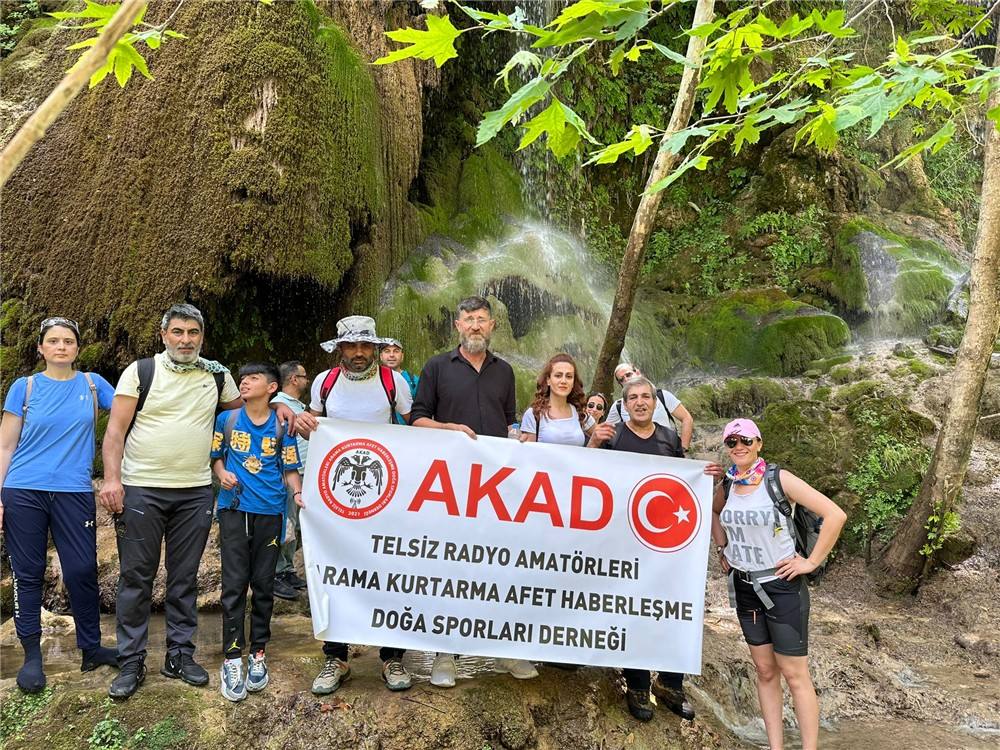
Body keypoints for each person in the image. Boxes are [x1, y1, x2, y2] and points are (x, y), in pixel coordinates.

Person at [99, 303, 298, 700]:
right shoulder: (141, 372)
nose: (185, 340)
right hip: (143, 487)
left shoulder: (217, 375)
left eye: (193, 333)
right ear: (164, 335)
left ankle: (179, 654)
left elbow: (245, 410)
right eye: (177, 332)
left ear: (202, 337)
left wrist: (278, 405)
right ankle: (132, 660)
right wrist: (112, 479)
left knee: (184, 576)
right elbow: (115, 431)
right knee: (137, 577)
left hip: (194, 490)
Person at [409, 295, 536, 686]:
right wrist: (449, 429)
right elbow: (416, 420)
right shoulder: (436, 367)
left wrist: (520, 438)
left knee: (500, 564)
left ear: (492, 325)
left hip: (497, 488)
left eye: (482, 319)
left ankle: (503, 650)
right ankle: (445, 655)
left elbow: (510, 421)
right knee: (452, 567)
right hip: (449, 485)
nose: (476, 325)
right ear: (458, 326)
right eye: (469, 320)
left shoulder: (506, 371)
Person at [710, 418, 846, 750]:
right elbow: (713, 513)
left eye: (746, 440)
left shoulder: (778, 479)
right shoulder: (728, 485)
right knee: (765, 671)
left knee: (794, 673)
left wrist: (810, 561)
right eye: (732, 442)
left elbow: (835, 514)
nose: (738, 446)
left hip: (782, 586)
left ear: (759, 443)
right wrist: (721, 547)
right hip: (744, 587)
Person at [0, 317, 119, 693]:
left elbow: (133, 414)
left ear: (78, 348)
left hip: (74, 490)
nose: (61, 347)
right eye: (53, 341)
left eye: (68, 341)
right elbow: (5, 446)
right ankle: (32, 656)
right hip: (24, 489)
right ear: (41, 348)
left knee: (82, 568)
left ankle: (91, 647)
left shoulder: (93, 384)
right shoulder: (25, 387)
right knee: (28, 571)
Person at [305, 315, 415, 694]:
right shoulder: (324, 382)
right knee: (333, 570)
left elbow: (413, 424)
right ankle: (335, 657)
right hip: (337, 496)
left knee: (390, 567)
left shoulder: (392, 381)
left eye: (364, 346)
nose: (357, 353)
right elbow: (313, 426)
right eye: (350, 346)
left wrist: (452, 438)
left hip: (384, 489)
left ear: (375, 348)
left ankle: (392, 658)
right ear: (339, 349)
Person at [587, 376, 700, 723]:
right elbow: (583, 474)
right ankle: (637, 685)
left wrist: (703, 475)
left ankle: (670, 684)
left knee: (670, 609)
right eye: (633, 397)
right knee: (631, 611)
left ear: (655, 401)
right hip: (623, 541)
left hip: (664, 545)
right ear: (624, 404)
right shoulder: (614, 435)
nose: (640, 401)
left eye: (646, 396)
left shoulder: (669, 438)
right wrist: (593, 441)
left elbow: (684, 482)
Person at [212, 363, 303, 702]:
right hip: (234, 509)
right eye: (242, 379)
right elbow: (216, 457)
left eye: (252, 378)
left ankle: (258, 653)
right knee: (234, 585)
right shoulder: (228, 420)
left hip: (271, 511)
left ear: (272, 387)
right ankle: (232, 657)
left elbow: (290, 468)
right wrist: (222, 473)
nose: (244, 383)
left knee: (264, 585)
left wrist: (297, 494)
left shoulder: (282, 425)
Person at [270, 361, 310, 601]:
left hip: (303, 470)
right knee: (284, 523)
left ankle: (287, 569)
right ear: (294, 379)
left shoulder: (297, 406)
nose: (307, 381)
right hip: (287, 471)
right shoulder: (278, 404)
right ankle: (275, 573)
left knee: (293, 525)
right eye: (304, 376)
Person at [605, 363, 693, 453]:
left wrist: (683, 449)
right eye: (622, 379)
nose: (626, 379)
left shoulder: (662, 396)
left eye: (628, 374)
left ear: (638, 372)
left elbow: (686, 418)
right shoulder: (618, 406)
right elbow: (605, 431)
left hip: (664, 452)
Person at [519, 353, 594, 447]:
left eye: (569, 376)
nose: (563, 381)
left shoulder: (580, 413)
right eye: (558, 375)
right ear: (548, 380)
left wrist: (596, 440)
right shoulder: (534, 414)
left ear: (574, 382)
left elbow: (604, 439)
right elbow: (529, 455)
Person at [379, 338, 419, 425]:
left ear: (402, 356)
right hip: (380, 433)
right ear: (381, 356)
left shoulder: (414, 381)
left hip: (406, 434)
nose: (392, 355)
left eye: (396, 351)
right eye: (387, 351)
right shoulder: (374, 380)